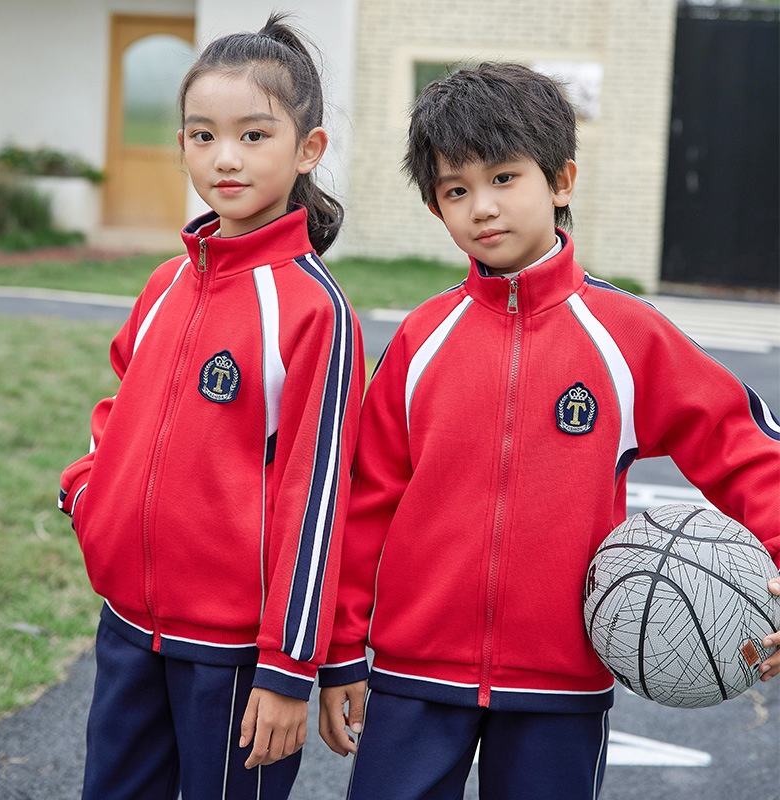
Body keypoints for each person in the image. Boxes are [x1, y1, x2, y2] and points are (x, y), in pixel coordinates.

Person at [317, 62, 780, 799]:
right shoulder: (420, 340)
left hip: (562, 680)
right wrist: (342, 650)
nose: (482, 208)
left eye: (504, 178)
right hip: (413, 670)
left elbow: (743, 448)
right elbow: (366, 500)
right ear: (437, 209)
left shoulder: (626, 336)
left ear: (561, 180)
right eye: (456, 190)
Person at [58, 14, 364, 800]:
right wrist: (88, 490)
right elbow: (120, 404)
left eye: (254, 135)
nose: (224, 158)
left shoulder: (313, 311)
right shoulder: (165, 283)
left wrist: (290, 668)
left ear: (308, 150)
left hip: (234, 658)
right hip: (128, 628)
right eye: (202, 135)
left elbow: (317, 498)